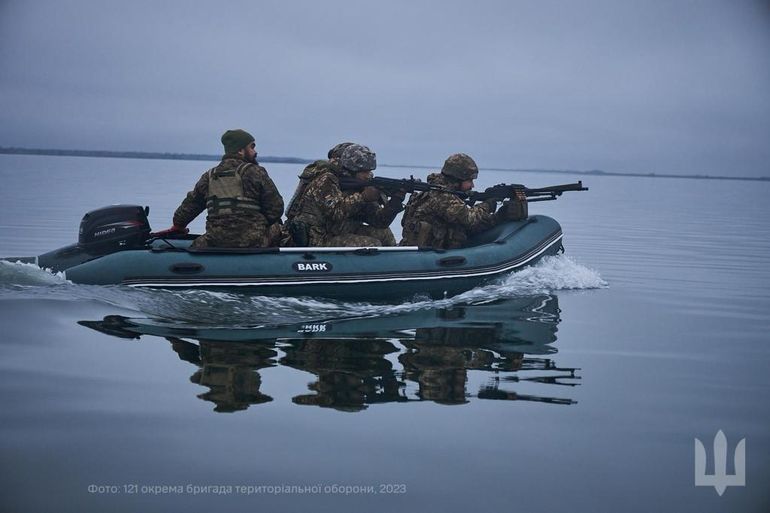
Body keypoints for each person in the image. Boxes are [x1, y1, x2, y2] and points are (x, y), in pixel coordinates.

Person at [154, 129, 284, 249]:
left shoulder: (209, 177)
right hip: (254, 242)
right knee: (279, 227)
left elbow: (185, 211)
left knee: (198, 244)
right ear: (240, 150)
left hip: (215, 240)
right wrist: (258, 223)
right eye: (252, 147)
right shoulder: (256, 172)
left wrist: (179, 226)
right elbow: (276, 209)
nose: (255, 152)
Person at [285, 143, 403, 247]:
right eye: (364, 172)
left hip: (341, 231)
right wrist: (362, 197)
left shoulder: (361, 185)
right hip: (318, 236)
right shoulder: (326, 180)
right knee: (371, 244)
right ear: (352, 170)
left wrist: (395, 201)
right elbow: (335, 213)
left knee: (384, 234)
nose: (368, 175)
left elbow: (379, 221)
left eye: (370, 171)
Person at [400, 153, 523, 249]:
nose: (472, 185)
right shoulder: (441, 196)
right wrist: (488, 204)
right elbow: (470, 219)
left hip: (426, 252)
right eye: (470, 181)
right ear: (457, 179)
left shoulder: (436, 191)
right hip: (425, 257)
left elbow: (467, 225)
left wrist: (498, 217)